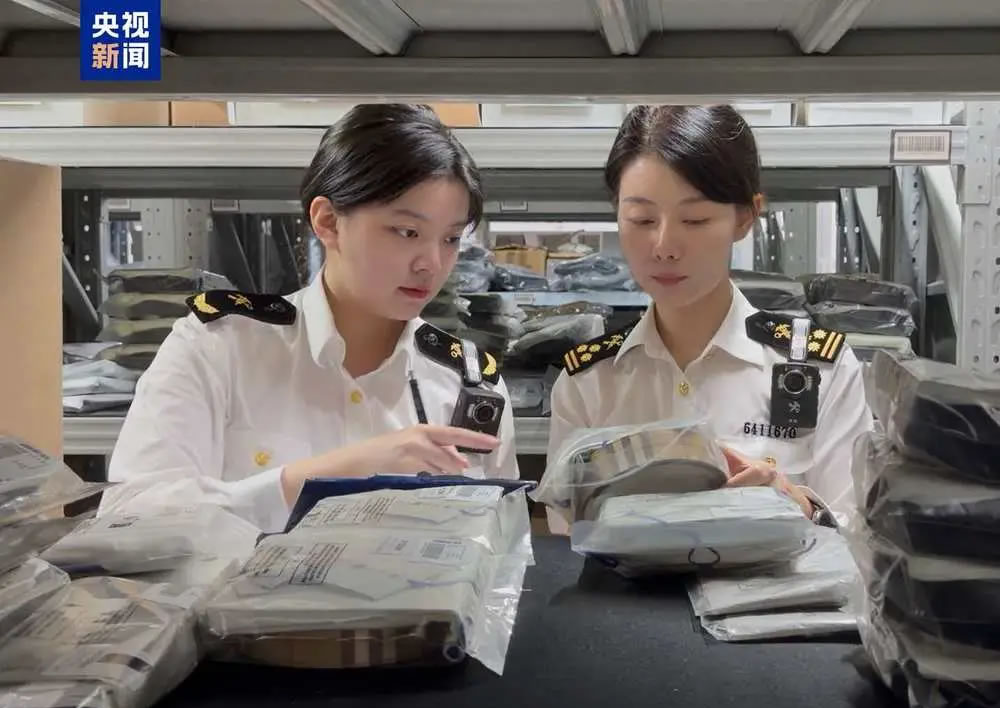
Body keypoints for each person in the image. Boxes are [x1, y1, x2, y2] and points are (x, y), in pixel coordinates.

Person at [101, 104, 519, 533]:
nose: (431, 263)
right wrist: (323, 478)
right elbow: (129, 522)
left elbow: (502, 547)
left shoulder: (469, 386)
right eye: (407, 232)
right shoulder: (221, 347)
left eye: (450, 239)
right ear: (328, 221)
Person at [545, 104, 873, 534]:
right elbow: (568, 540)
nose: (664, 246)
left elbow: (859, 540)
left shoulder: (822, 371)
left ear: (746, 217)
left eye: (695, 220)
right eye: (642, 219)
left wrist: (799, 505)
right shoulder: (588, 382)